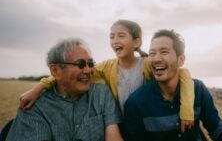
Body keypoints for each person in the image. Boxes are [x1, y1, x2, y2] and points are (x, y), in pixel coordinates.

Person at [19, 20, 195, 132]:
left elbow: (183, 73)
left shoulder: (147, 63)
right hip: (118, 126)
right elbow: (72, 72)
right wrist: (40, 87)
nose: (115, 40)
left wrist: (187, 109)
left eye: (121, 35)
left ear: (136, 42)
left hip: (145, 125)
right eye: (111, 37)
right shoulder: (107, 67)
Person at [123, 29, 222, 141]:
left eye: (164, 52)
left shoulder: (197, 89)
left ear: (181, 60)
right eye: (152, 53)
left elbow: (219, 134)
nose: (156, 59)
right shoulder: (136, 103)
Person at [6, 38, 123, 141]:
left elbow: (113, 137)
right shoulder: (34, 106)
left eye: (90, 63)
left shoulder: (102, 94)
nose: (88, 70)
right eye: (80, 64)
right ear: (56, 71)